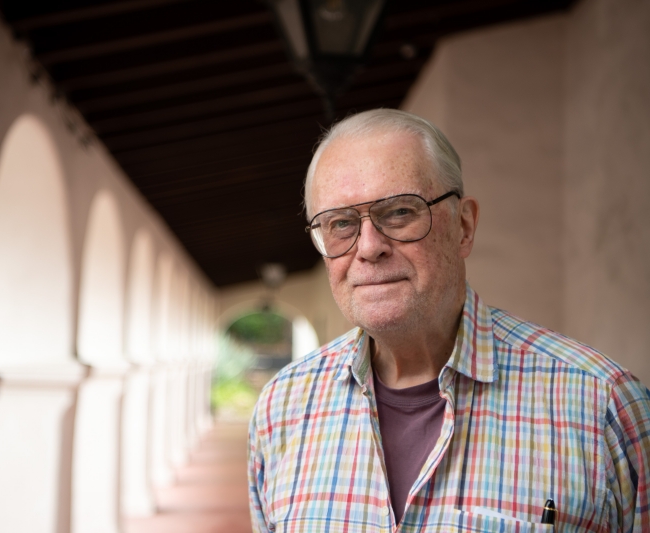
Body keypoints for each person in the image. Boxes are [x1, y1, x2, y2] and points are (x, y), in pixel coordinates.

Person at [247, 109, 650, 532]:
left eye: (400, 212)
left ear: (464, 226)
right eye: (341, 223)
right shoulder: (282, 409)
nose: (368, 247)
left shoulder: (605, 408)